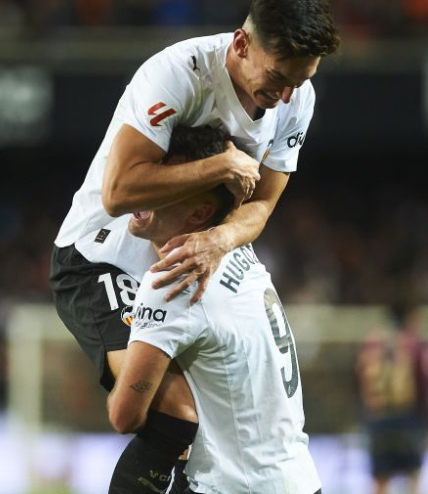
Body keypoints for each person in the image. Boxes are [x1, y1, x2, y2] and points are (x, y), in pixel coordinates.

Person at [49, 1, 339, 492]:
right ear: (243, 44)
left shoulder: (296, 99)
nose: (285, 94)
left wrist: (217, 239)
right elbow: (118, 193)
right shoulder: (178, 74)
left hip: (191, 251)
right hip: (105, 256)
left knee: (216, 423)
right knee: (173, 414)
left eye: (300, 80)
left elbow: (262, 204)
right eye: (277, 76)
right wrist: (221, 166)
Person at [108, 125, 321, 494]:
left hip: (239, 487)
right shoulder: (240, 249)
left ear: (200, 212)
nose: (147, 188)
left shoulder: (172, 282)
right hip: (298, 479)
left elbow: (125, 415)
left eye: (168, 185)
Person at [356, 299, 428, 494]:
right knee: (414, 479)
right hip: (407, 417)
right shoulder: (416, 343)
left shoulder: (370, 343)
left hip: (378, 419)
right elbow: (425, 384)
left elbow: (358, 381)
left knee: (380, 482)